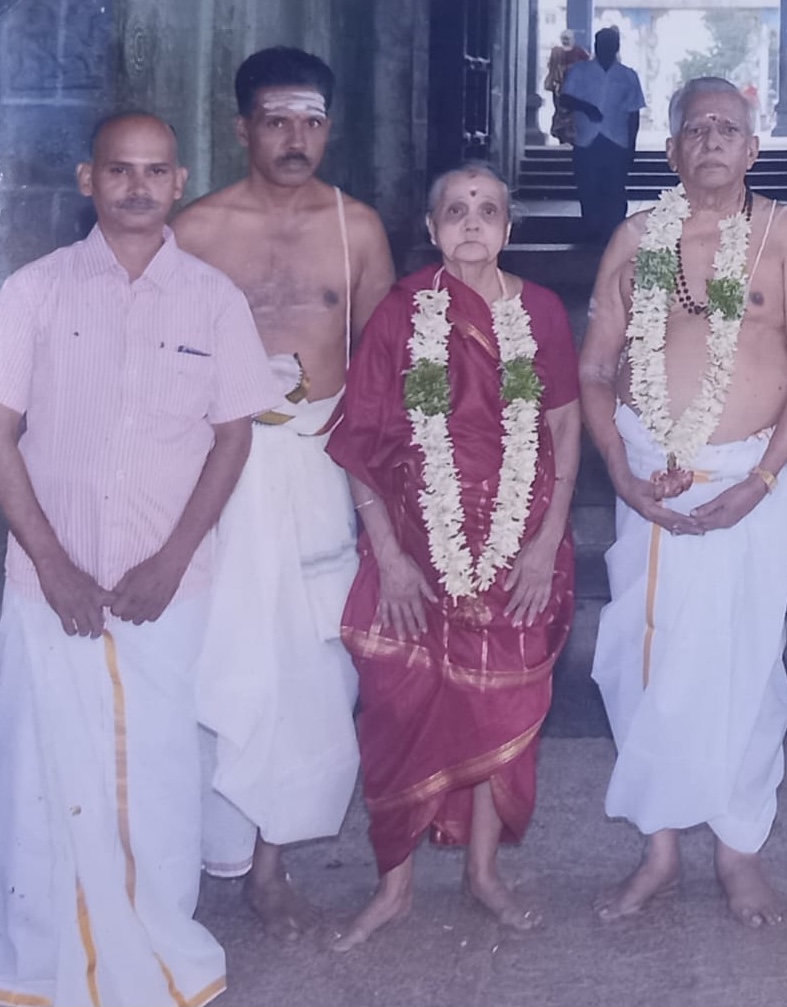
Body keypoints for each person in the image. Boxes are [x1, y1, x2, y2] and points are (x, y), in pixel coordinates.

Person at [0, 112, 278, 1007]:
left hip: (168, 586)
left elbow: (233, 437)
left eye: (154, 172)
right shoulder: (31, 293)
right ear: (88, 179)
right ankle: (43, 970)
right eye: (118, 170)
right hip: (48, 583)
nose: (135, 186)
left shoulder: (212, 299)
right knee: (41, 782)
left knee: (158, 778)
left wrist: (172, 558)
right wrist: (50, 562)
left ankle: (159, 960)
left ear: (180, 181)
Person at [579, 76, 787, 926]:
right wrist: (617, 466)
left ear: (754, 149)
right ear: (673, 150)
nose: (714, 139)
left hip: (750, 486)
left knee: (746, 663)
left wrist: (767, 481)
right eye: (698, 128)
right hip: (650, 484)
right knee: (642, 659)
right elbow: (594, 366)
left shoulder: (785, 235)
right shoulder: (637, 237)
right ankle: (658, 849)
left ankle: (738, 851)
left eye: (730, 127)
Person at [323, 161, 580, 950]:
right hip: (415, 537)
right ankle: (393, 886)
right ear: (431, 228)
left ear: (510, 228)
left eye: (489, 209)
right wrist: (392, 558)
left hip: (518, 539)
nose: (473, 221)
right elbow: (360, 440)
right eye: (456, 210)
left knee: (495, 704)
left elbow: (565, 431)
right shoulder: (403, 312)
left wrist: (541, 544)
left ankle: (482, 873)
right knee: (401, 703)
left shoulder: (538, 311)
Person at [172, 44, 395, 940]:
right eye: (276, 121)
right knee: (206, 653)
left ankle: (269, 866)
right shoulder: (195, 230)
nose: (296, 138)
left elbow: (386, 369)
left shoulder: (359, 228)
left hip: (317, 462)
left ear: (329, 127)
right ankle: (187, 852)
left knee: (308, 667)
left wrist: (398, 484)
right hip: (213, 469)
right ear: (241, 128)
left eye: (311, 121)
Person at [560, 26, 645, 244]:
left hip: (616, 140)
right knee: (588, 187)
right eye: (602, 43)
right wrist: (586, 107)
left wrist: (631, 146)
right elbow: (565, 99)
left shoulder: (628, 75)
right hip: (587, 140)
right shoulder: (580, 71)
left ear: (616, 47)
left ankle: (614, 235)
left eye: (610, 44)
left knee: (615, 189)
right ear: (596, 46)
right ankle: (591, 233)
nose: (606, 48)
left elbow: (633, 113)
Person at [544, 29, 591, 146]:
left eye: (567, 38)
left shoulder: (579, 52)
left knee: (574, 114)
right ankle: (562, 136)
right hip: (560, 87)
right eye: (564, 38)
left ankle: (573, 137)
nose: (566, 41)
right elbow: (551, 67)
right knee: (561, 112)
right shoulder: (557, 52)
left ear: (572, 39)